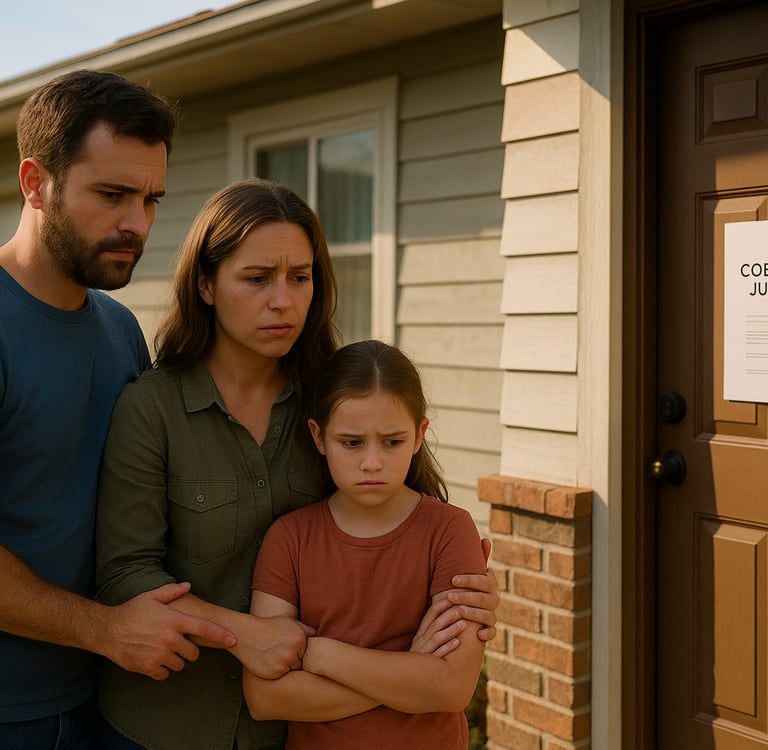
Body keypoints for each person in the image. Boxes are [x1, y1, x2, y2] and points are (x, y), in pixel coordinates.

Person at [94, 178, 499, 750]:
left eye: (300, 278)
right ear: (206, 284)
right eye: (257, 279)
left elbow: (408, 512)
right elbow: (126, 575)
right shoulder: (151, 408)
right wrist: (246, 636)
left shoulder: (337, 403)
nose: (282, 300)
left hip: (296, 731)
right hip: (166, 725)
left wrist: (469, 595)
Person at [0, 69, 237, 750]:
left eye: (151, 199)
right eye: (112, 195)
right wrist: (103, 629)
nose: (138, 223)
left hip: (106, 701)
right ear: (34, 182)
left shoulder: (119, 329)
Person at [243, 339, 487, 749]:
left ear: (418, 435)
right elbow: (266, 697)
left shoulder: (450, 531)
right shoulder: (289, 539)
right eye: (351, 443)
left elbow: (450, 689)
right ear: (318, 437)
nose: (372, 462)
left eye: (392, 442)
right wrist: (411, 672)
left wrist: (320, 655)